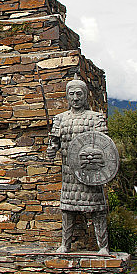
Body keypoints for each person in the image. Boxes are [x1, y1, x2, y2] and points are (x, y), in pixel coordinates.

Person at [46, 78, 110, 255]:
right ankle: (65, 245)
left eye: (79, 94)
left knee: (98, 211)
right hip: (69, 173)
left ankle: (103, 246)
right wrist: (51, 150)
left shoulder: (96, 118)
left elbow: (104, 145)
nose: (75, 98)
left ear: (85, 95)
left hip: (90, 172)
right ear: (67, 96)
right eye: (72, 94)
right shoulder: (60, 119)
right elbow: (54, 144)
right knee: (67, 210)